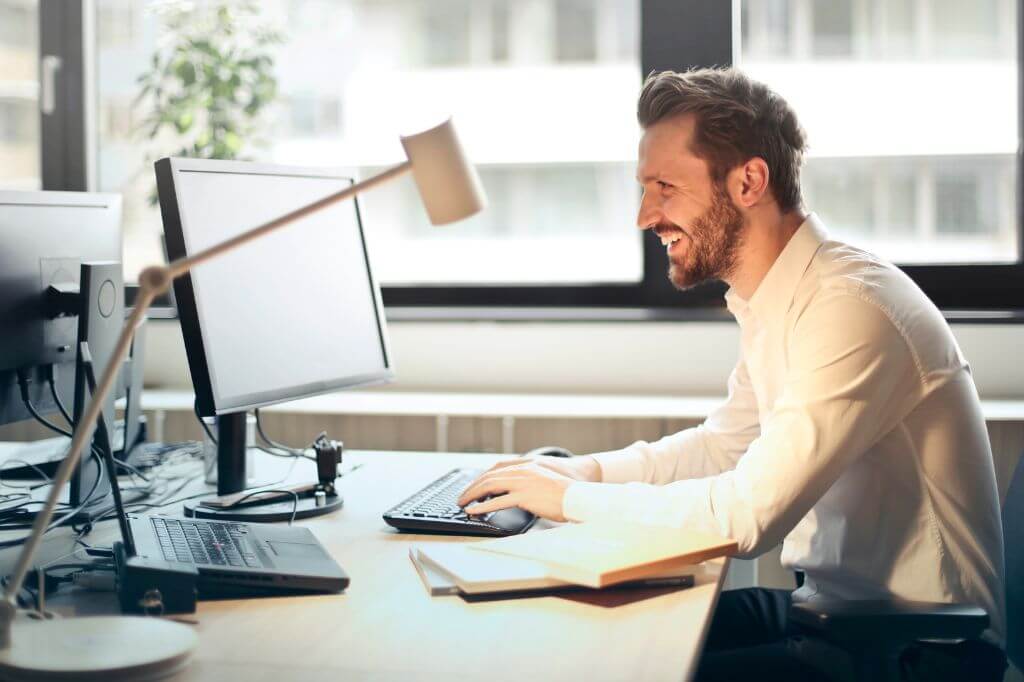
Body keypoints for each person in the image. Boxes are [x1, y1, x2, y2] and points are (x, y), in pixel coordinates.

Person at [458, 68, 1007, 681]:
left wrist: (569, 500)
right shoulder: (780, 298)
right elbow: (724, 447)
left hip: (917, 652)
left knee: (617, 666)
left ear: (749, 181)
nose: (645, 216)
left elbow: (747, 517)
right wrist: (584, 471)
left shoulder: (852, 309)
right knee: (582, 635)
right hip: (832, 618)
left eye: (665, 186)